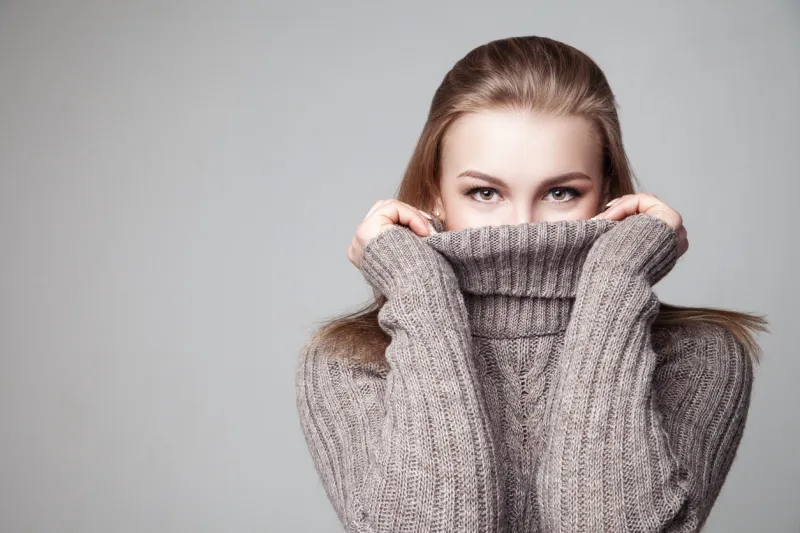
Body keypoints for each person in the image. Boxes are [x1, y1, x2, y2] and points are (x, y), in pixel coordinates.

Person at [294, 35, 767, 533]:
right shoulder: (350, 363)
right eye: (484, 192)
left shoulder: (698, 356)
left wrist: (616, 279)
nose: (523, 226)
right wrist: (418, 289)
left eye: (561, 192)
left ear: (608, 192)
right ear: (434, 193)